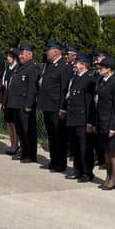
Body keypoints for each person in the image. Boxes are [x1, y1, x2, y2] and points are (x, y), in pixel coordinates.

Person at [61, 53, 95, 182]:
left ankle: (87, 172)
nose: (75, 65)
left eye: (77, 63)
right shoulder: (74, 78)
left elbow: (89, 103)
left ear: (83, 65)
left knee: (84, 147)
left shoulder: (89, 80)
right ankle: (77, 170)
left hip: (82, 119)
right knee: (75, 146)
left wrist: (89, 122)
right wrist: (64, 109)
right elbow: (69, 96)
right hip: (72, 117)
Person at [94, 56, 115, 190]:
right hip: (101, 121)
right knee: (106, 151)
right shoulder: (101, 81)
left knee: (113, 151)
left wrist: (113, 126)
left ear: (109, 69)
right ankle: (108, 176)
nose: (99, 69)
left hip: (111, 122)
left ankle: (113, 178)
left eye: (102, 67)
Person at [38, 40, 69, 173]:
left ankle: (61, 163)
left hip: (57, 107)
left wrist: (63, 108)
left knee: (59, 136)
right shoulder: (49, 65)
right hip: (48, 106)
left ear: (56, 51)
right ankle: (54, 160)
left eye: (48, 50)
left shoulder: (64, 66)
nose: (46, 53)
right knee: (51, 135)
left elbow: (64, 90)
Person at [6, 44, 40, 163]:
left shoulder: (33, 68)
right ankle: (23, 151)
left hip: (25, 105)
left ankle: (30, 154)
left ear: (29, 54)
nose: (20, 56)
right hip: (16, 104)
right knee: (20, 130)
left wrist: (29, 104)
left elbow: (32, 88)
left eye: (22, 54)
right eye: (19, 54)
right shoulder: (20, 67)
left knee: (27, 131)